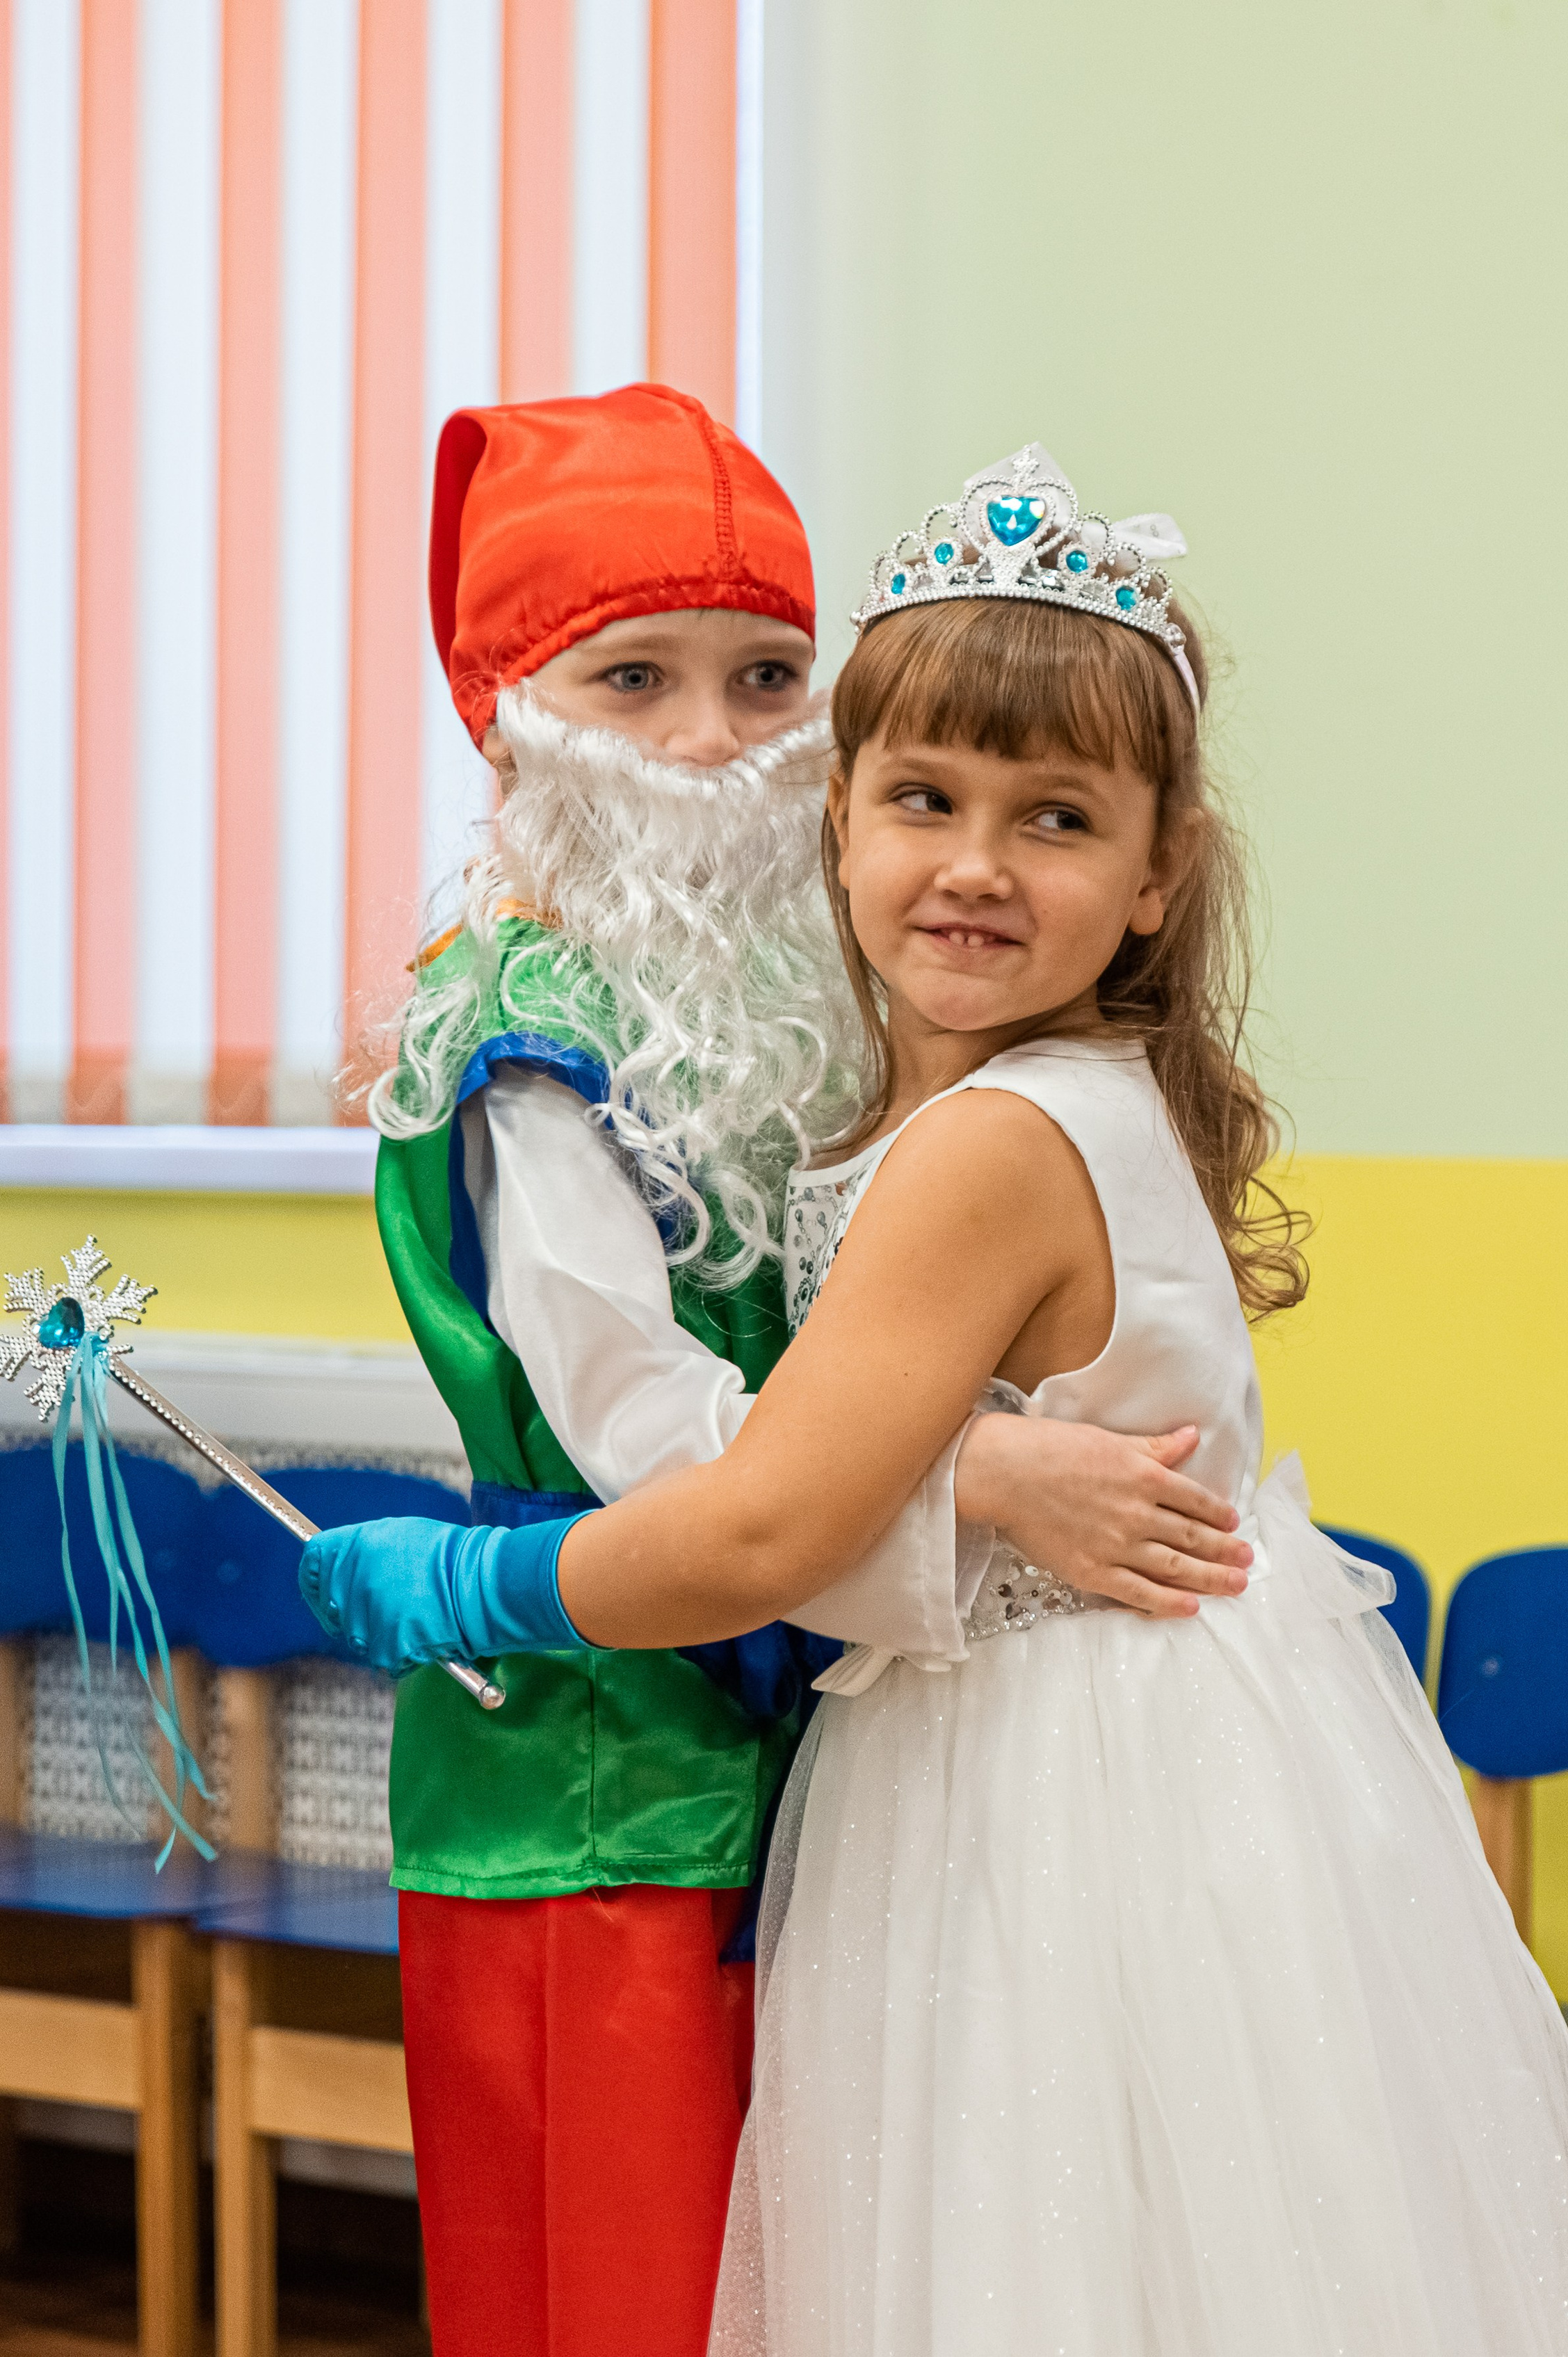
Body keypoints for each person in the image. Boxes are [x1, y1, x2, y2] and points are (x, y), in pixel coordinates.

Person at [372, 402, 1253, 2357]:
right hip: (603, 1763)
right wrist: (988, 1488)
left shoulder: (868, 1043)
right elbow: (667, 1439)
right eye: (635, 681)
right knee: (632, 2282)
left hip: (822, 1723)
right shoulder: (532, 1043)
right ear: (515, 709)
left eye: (767, 681)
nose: (709, 743)